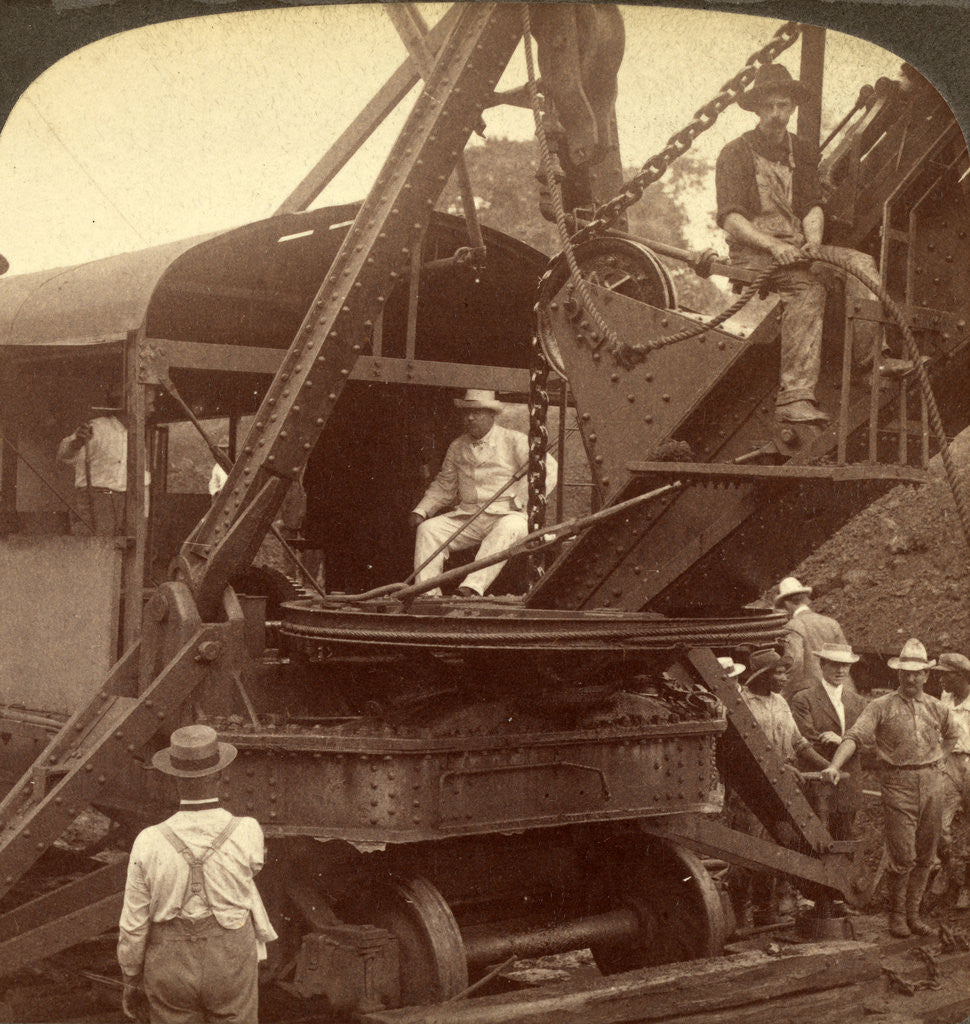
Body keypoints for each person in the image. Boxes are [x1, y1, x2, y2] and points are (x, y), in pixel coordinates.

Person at [715, 63, 884, 423]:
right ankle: (794, 398)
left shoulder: (802, 152)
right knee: (808, 288)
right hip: (753, 253)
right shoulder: (735, 153)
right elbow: (731, 220)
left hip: (796, 246)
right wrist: (773, 246)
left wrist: (815, 243)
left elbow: (811, 205)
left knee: (861, 263)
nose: (776, 114)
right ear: (757, 109)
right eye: (769, 106)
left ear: (792, 107)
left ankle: (873, 364)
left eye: (783, 105)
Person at [118, 725, 277, 1023]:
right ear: (220, 774)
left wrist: (130, 976)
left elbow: (133, 924)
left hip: (169, 964)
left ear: (174, 778)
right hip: (229, 961)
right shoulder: (248, 830)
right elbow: (254, 867)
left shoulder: (148, 840)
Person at [823, 639, 960, 937]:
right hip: (898, 784)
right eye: (906, 673)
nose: (911, 679)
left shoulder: (937, 707)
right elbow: (854, 737)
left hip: (933, 783)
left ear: (926, 675)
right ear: (898, 674)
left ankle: (914, 915)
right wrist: (834, 765)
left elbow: (953, 734)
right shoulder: (881, 706)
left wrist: (941, 758)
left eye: (917, 673)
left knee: (926, 854)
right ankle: (897, 915)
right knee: (902, 855)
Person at [409, 389, 557, 597]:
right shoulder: (457, 446)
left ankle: (471, 588)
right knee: (429, 529)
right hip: (469, 516)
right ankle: (427, 594)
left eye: (477, 412)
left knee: (509, 527)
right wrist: (422, 510)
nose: (470, 418)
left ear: (492, 415)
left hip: (507, 514)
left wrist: (521, 499)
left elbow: (548, 468)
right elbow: (445, 485)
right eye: (466, 412)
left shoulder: (514, 440)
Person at [791, 642, 867, 840]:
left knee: (845, 838)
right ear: (822, 665)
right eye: (834, 664)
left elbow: (869, 742)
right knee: (814, 841)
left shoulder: (858, 702)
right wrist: (846, 745)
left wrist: (842, 741)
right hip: (817, 783)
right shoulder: (804, 699)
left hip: (848, 783)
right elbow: (807, 738)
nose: (840, 670)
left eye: (845, 665)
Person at [57, 384, 128, 535]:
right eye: (149, 404)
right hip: (95, 499)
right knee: (95, 543)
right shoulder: (98, 428)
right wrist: (78, 442)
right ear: (129, 404)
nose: (152, 409)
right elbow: (64, 455)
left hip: (122, 502)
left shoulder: (134, 434)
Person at [774, 576, 848, 700]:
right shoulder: (831, 623)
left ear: (787, 603)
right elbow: (846, 656)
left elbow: (795, 663)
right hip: (840, 691)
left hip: (812, 695)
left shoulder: (793, 626)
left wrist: (783, 693)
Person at [935, 652, 970, 906]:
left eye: (945, 675)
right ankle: (946, 869)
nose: (941, 680)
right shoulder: (945, 698)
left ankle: (966, 885)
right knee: (938, 823)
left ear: (960, 676)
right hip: (948, 762)